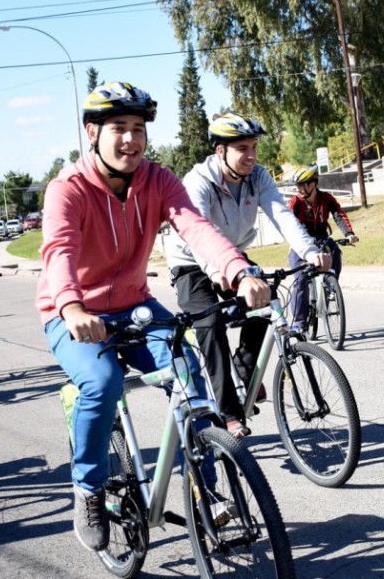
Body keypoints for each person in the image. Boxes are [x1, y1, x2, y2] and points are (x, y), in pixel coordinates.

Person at [38, 82, 267, 553]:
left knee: (188, 376)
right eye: (118, 128)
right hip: (72, 311)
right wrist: (72, 305)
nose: (130, 139)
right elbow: (59, 249)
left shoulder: (158, 180)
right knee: (101, 383)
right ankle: (88, 489)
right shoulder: (68, 189)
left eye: (138, 129)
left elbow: (196, 227)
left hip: (135, 305)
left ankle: (205, 488)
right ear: (92, 132)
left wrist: (237, 271)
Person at [164, 111, 329, 441]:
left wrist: (311, 251)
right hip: (192, 262)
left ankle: (243, 368)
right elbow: (199, 232)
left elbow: (281, 215)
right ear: (220, 151)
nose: (252, 155)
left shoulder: (259, 177)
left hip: (234, 256)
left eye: (254, 147)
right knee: (209, 326)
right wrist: (221, 271)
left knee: (265, 301)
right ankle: (229, 413)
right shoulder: (199, 181)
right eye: (243, 148)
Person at [286, 164, 358, 333]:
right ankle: (299, 323)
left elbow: (339, 214)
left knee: (335, 252)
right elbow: (290, 223)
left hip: (321, 238)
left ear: (313, 184)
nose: (298, 189)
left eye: (302, 184)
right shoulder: (296, 202)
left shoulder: (326, 198)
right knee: (300, 281)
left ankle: (330, 285)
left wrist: (349, 233)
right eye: (297, 186)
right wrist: (302, 243)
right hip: (301, 243)